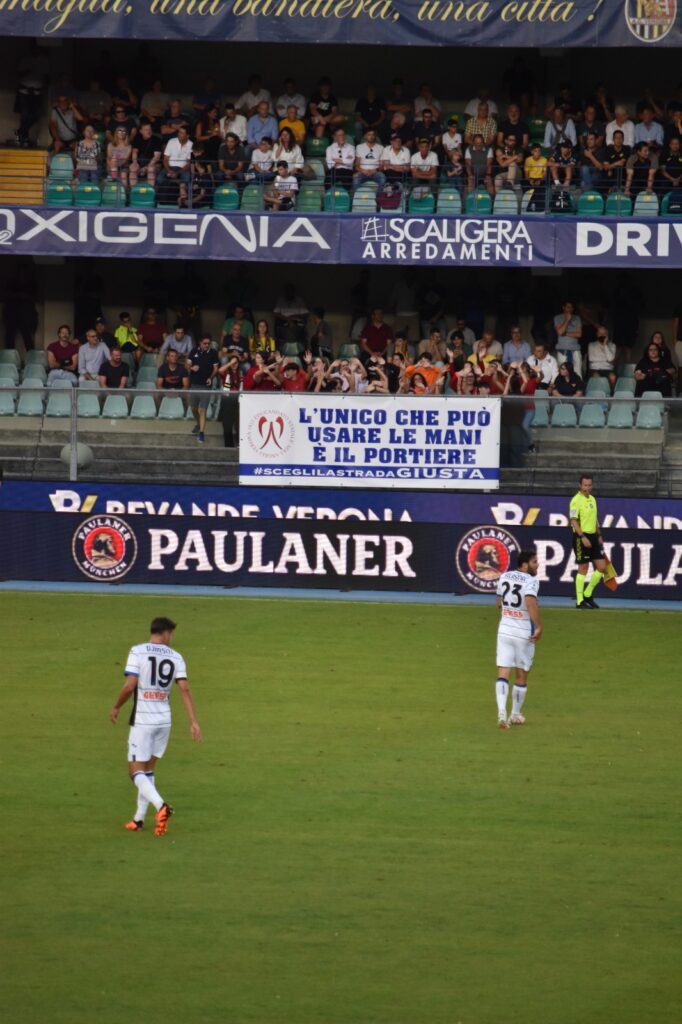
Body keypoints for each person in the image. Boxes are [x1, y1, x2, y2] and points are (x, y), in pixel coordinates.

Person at [109, 616, 201, 835]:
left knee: (135, 772)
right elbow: (185, 690)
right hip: (164, 721)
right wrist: (193, 722)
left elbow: (130, 685)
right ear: (165, 633)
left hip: (142, 720)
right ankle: (138, 820)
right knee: (148, 770)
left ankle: (161, 806)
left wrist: (116, 706)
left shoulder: (138, 651)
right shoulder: (176, 656)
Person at [494, 549, 542, 729]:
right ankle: (514, 714)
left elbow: (498, 602)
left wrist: (509, 613)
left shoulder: (505, 576)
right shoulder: (532, 581)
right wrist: (539, 626)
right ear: (524, 565)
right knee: (521, 674)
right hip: (523, 632)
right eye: (535, 562)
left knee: (503, 672)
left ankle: (501, 711)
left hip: (504, 630)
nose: (538, 565)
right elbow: (530, 603)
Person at [570, 475, 607, 610]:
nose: (587, 488)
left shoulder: (593, 499)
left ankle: (587, 594)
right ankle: (579, 601)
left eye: (589, 485)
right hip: (581, 537)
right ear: (580, 485)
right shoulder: (575, 500)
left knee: (602, 567)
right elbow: (573, 520)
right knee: (583, 569)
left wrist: (599, 534)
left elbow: (594, 519)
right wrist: (582, 537)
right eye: (585, 485)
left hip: (593, 536)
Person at [188, 334, 218, 444]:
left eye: (208, 343)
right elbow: (187, 365)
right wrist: (192, 367)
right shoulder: (193, 351)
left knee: (203, 410)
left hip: (206, 386)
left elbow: (216, 368)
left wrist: (211, 378)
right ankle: (198, 424)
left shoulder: (213, 352)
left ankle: (201, 433)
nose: (206, 345)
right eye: (204, 343)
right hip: (194, 385)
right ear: (200, 343)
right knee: (193, 408)